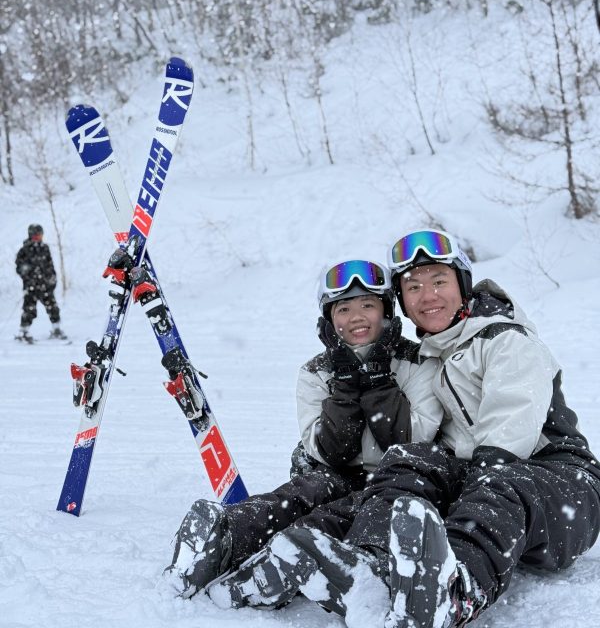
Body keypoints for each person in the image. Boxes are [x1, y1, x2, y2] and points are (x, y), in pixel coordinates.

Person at [214, 229, 600, 628]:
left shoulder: (505, 340)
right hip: (484, 479)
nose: (427, 296)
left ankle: (455, 591)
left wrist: (449, 504)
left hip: (561, 485)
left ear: (463, 284)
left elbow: (507, 439)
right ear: (402, 302)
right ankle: (363, 563)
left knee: (496, 483)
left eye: (439, 281)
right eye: (413, 287)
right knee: (407, 465)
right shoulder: (435, 353)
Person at [164, 258, 443, 603]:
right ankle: (227, 536)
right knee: (302, 494)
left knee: (343, 515)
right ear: (329, 319)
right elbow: (328, 451)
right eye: (344, 309)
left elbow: (410, 441)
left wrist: (377, 378)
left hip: (398, 480)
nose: (356, 317)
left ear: (386, 312)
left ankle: (286, 559)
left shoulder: (419, 362)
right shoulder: (316, 372)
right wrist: (345, 383)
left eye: (367, 305)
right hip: (339, 472)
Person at [15, 224, 67, 343]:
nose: (38, 238)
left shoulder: (45, 248)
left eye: (40, 235)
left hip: (45, 285)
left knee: (53, 307)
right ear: (30, 235)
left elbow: (50, 266)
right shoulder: (24, 250)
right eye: (36, 236)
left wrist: (52, 279)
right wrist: (27, 275)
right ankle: (24, 332)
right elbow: (19, 268)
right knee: (29, 309)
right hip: (31, 286)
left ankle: (56, 329)